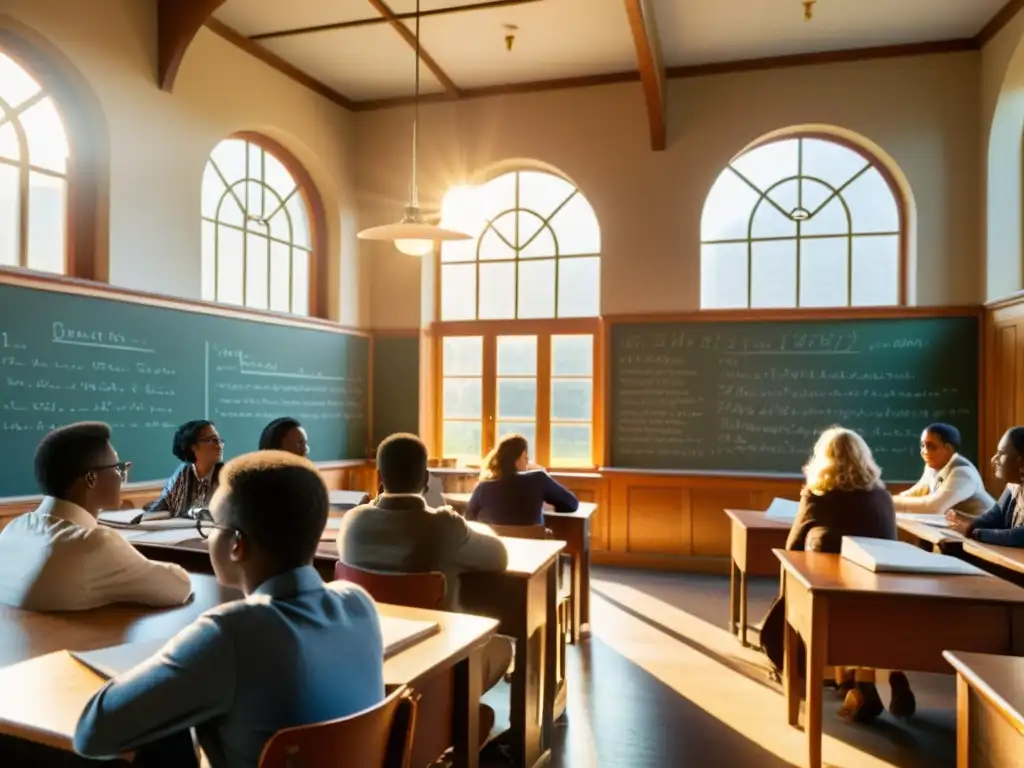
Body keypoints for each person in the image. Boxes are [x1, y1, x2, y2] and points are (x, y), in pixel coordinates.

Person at [74, 451, 385, 768]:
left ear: (237, 544)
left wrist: (170, 663)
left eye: (211, 524)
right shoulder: (359, 604)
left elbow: (92, 732)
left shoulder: (231, 634)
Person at [336, 433, 511, 742]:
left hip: (370, 661)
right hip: (441, 666)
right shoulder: (444, 526)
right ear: (427, 479)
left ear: (379, 477)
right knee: (502, 647)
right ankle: (454, 720)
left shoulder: (352, 523)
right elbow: (499, 557)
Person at [784, 426, 914, 723]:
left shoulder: (820, 495)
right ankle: (875, 677)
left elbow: (792, 548)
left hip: (836, 595)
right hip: (882, 590)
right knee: (865, 616)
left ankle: (856, 685)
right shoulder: (882, 495)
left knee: (823, 604)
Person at [0, 422, 192, 610]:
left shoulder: (12, 528)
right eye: (118, 468)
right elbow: (178, 587)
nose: (122, 476)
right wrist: (136, 561)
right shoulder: (95, 543)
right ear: (91, 478)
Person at [465, 434, 579, 526]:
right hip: (536, 552)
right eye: (525, 457)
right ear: (515, 460)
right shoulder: (538, 479)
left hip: (498, 552)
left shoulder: (483, 488)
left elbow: (469, 519)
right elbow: (572, 504)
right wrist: (550, 504)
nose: (528, 461)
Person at [894, 423, 994, 517]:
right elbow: (917, 492)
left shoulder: (962, 473)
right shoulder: (933, 466)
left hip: (984, 531)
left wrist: (890, 503)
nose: (924, 451)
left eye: (931, 446)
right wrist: (890, 501)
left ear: (948, 449)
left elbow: (934, 508)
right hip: (959, 529)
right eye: (922, 445)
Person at [946, 426, 1024, 546]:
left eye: (1001, 453)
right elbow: (993, 517)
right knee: (949, 545)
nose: (993, 460)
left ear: (1021, 460)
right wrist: (966, 525)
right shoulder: (1013, 486)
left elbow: (1020, 537)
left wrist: (975, 533)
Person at [145, 420, 224, 518]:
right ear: (193, 447)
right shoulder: (182, 474)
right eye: (213, 440)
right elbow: (160, 507)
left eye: (220, 440)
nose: (219, 446)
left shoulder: (227, 476)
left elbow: (229, 515)